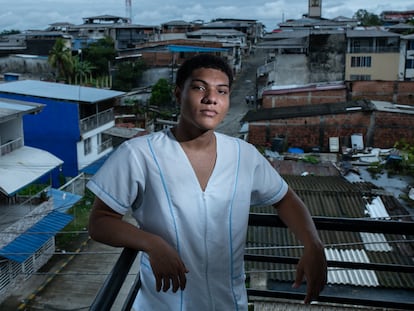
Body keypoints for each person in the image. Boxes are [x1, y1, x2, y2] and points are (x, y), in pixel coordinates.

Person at [87, 54, 327, 310]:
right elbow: (100, 222)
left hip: (230, 303)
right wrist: (151, 243)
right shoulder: (139, 154)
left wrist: (313, 244)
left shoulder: (243, 155)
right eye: (199, 87)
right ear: (178, 93)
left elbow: (285, 198)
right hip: (163, 303)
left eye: (221, 91)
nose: (211, 98)